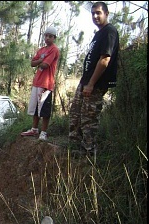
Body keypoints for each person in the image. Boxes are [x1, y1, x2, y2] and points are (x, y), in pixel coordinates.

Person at [68, 2, 119, 155]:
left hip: (95, 84)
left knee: (88, 119)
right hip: (85, 81)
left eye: (98, 13)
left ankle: (89, 153)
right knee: (75, 115)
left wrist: (91, 84)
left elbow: (104, 60)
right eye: (93, 13)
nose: (95, 16)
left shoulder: (110, 31)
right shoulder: (99, 33)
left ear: (107, 14)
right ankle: (75, 149)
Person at [21, 26, 60, 141]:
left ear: (54, 38)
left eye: (50, 36)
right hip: (37, 82)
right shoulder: (41, 50)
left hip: (46, 83)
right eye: (46, 36)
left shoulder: (54, 49)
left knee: (44, 109)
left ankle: (43, 132)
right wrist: (41, 61)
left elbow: (45, 65)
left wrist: (39, 62)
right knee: (35, 107)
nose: (47, 38)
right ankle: (34, 129)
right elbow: (32, 63)